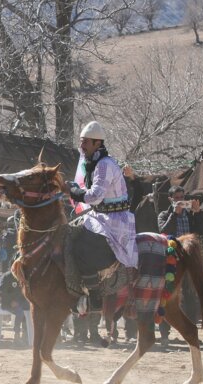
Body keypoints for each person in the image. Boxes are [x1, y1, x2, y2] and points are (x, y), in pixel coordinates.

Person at [66, 121, 137, 312]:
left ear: (98, 143)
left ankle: (94, 294)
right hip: (101, 217)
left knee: (81, 247)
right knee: (67, 233)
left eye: (86, 142)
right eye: (81, 142)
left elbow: (95, 196)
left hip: (114, 222)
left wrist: (73, 192)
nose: (82, 146)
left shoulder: (104, 164)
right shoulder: (94, 163)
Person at [156, 185, 203, 346]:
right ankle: (164, 334)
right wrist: (174, 214)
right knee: (166, 296)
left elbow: (199, 232)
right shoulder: (164, 214)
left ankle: (190, 332)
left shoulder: (189, 215)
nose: (180, 201)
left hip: (187, 260)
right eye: (176, 198)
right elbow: (163, 231)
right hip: (170, 260)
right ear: (171, 199)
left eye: (182, 198)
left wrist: (197, 213)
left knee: (190, 296)